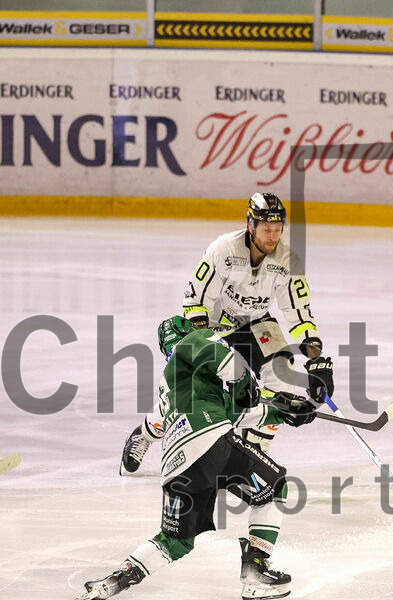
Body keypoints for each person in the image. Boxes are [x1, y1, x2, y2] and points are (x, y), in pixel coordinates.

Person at [79, 317, 318, 600]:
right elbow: (230, 363)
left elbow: (230, 412)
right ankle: (256, 572)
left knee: (176, 541)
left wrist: (281, 412)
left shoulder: (174, 385)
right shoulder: (191, 343)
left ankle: (116, 580)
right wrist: (246, 386)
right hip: (209, 441)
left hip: (176, 466)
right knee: (273, 487)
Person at [120, 192, 334, 474]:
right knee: (195, 393)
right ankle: (148, 432)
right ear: (251, 225)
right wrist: (200, 345)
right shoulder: (224, 249)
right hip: (214, 323)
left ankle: (256, 450)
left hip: (257, 324)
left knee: (283, 381)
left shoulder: (287, 260)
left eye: (277, 228)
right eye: (266, 228)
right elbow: (196, 300)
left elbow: (299, 312)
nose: (272, 235)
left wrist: (315, 357)